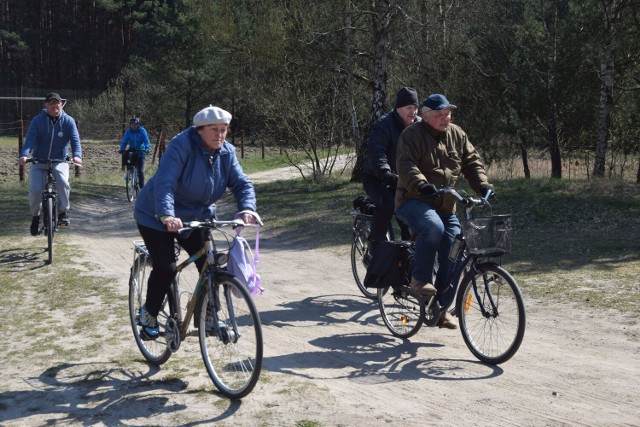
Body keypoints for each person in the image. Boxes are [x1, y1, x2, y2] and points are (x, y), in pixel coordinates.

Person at [134, 105, 258, 339]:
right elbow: (165, 183)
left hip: (195, 218)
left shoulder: (226, 152)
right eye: (214, 129)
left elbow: (242, 183)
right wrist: (167, 215)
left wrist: (247, 208)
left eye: (224, 130)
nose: (220, 135)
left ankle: (210, 316)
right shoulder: (181, 146)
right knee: (167, 266)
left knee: (209, 264)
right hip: (155, 215)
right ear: (200, 130)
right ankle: (148, 313)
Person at [395, 93, 494, 329]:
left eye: (448, 113)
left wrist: (482, 184)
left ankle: (439, 308)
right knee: (433, 228)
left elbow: (472, 161)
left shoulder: (457, 134)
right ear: (426, 116)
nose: (445, 118)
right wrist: (421, 184)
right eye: (439, 114)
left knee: (456, 245)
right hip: (413, 200)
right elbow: (406, 165)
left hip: (444, 204)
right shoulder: (411, 135)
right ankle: (419, 279)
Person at [362, 87, 420, 251]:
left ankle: (408, 254)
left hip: (403, 180)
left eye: (415, 107)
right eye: (409, 108)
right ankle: (374, 246)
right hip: (377, 178)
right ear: (398, 108)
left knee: (411, 214)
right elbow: (378, 155)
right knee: (388, 204)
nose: (413, 111)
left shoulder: (420, 126)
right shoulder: (383, 125)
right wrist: (386, 173)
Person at [18, 92, 83, 236]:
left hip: (59, 160)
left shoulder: (68, 121)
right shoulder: (37, 121)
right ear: (46, 105)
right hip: (39, 161)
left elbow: (75, 141)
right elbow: (29, 141)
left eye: (57, 103)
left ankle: (62, 212)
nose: (55, 105)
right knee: (35, 190)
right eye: (51, 103)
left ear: (61, 104)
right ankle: (35, 217)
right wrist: (24, 155)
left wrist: (77, 156)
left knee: (63, 183)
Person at [118, 116, 151, 188]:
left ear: (138, 124)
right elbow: (124, 141)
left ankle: (142, 189)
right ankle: (128, 172)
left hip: (141, 151)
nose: (134, 125)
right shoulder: (128, 131)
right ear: (130, 124)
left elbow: (146, 141)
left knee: (140, 171)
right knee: (127, 158)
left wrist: (147, 148)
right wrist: (121, 148)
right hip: (132, 149)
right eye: (132, 124)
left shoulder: (142, 131)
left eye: (135, 124)